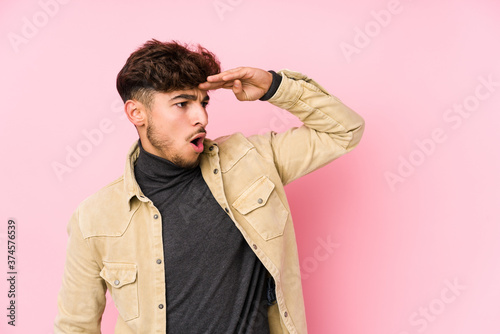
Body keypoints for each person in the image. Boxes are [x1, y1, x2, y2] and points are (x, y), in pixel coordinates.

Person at [54, 39, 365, 334]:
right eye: (182, 104)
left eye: (203, 102)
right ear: (137, 113)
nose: (201, 116)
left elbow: (344, 131)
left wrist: (274, 86)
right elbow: (75, 326)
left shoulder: (253, 161)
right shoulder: (93, 219)